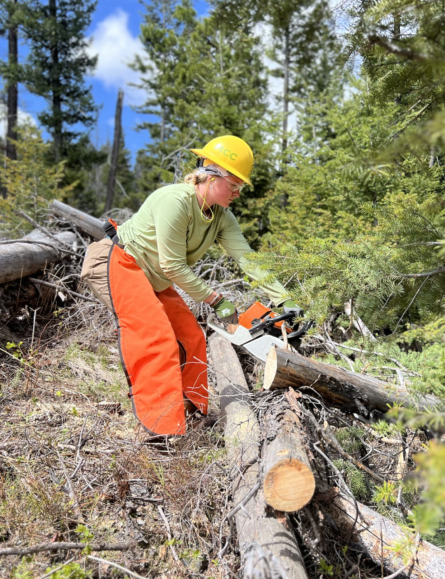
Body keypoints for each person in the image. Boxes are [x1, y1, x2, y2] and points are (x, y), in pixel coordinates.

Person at [81, 135, 301, 436]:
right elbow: (172, 265)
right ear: (211, 174)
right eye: (234, 184)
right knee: (157, 339)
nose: (237, 192)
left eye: (240, 186)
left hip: (151, 278)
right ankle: (161, 431)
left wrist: (283, 300)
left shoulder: (222, 217)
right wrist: (215, 299)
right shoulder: (175, 201)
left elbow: (248, 260)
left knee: (191, 337)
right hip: (117, 262)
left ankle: (192, 415)